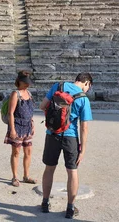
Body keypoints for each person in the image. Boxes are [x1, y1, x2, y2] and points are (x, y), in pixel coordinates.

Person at [39, 73, 93, 219]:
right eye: (89, 87)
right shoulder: (83, 99)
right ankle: (70, 208)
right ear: (86, 83)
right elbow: (84, 127)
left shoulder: (58, 86)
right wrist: (82, 149)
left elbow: (42, 106)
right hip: (71, 137)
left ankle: (45, 203)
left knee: (49, 168)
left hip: (52, 134)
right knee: (72, 171)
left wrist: (54, 119)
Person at [4, 70, 36, 187]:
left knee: (28, 152)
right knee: (16, 152)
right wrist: (12, 129)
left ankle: (26, 176)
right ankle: (15, 177)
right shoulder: (15, 94)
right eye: (26, 82)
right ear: (20, 81)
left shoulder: (29, 93)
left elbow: (30, 112)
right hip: (17, 125)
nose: (28, 84)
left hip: (27, 126)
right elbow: (10, 113)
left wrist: (32, 123)